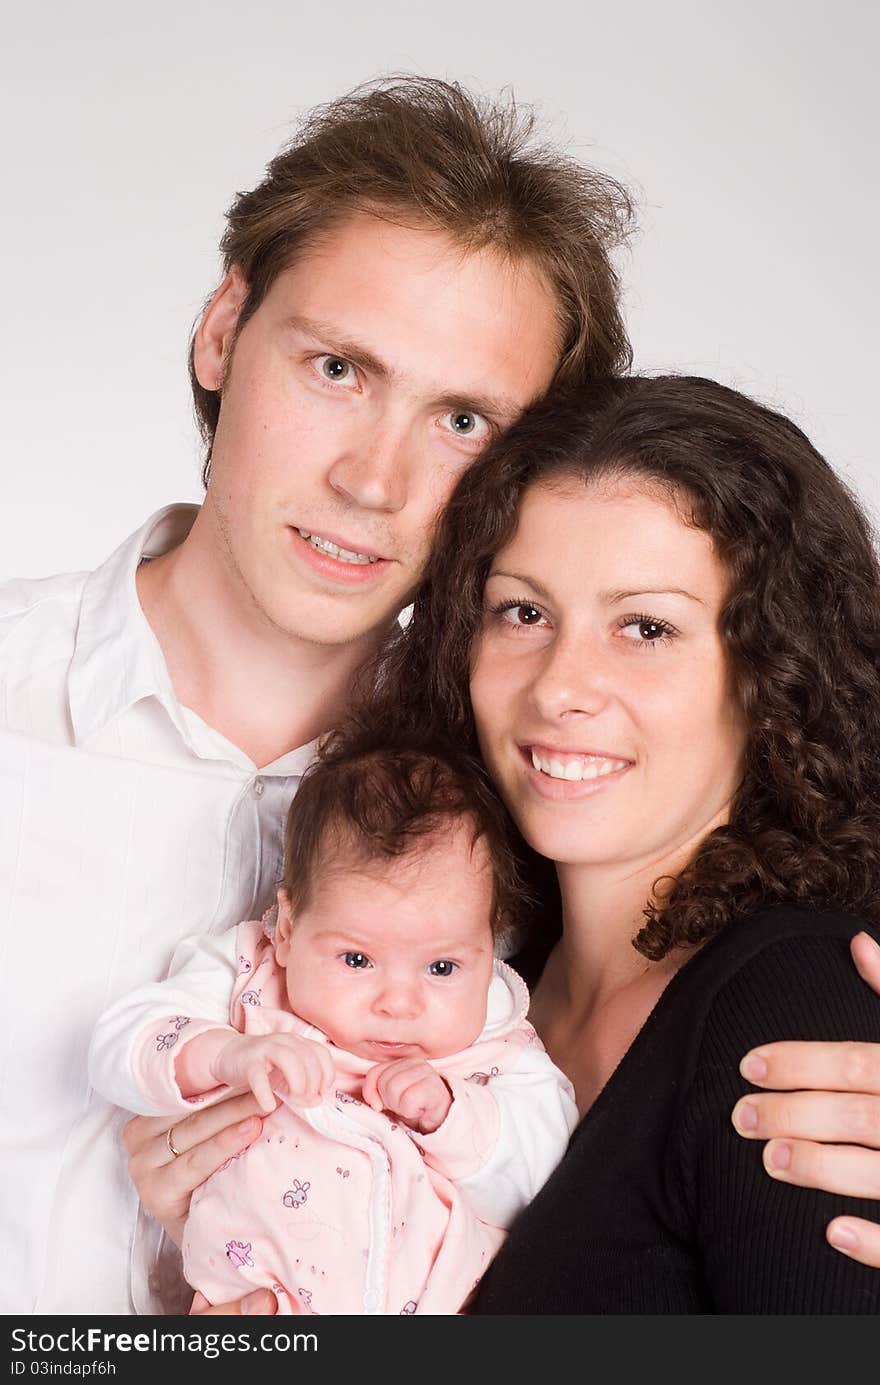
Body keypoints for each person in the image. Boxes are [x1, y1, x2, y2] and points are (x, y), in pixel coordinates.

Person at [1, 74, 877, 1317]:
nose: (374, 477)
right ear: (221, 331)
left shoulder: (524, 839)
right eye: (339, 368)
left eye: (462, 416)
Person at [344, 373, 880, 1311]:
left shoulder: (790, 1004)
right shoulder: (481, 976)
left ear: (771, 675)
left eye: (645, 626)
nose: (561, 686)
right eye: (523, 612)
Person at [89, 743, 577, 1314]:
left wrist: (452, 1114)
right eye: (357, 960)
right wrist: (225, 1055)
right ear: (291, 927)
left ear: (488, 949)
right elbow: (120, 1041)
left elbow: (546, 1179)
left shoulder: (493, 1044)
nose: (399, 1004)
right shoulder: (251, 977)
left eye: (442, 968)